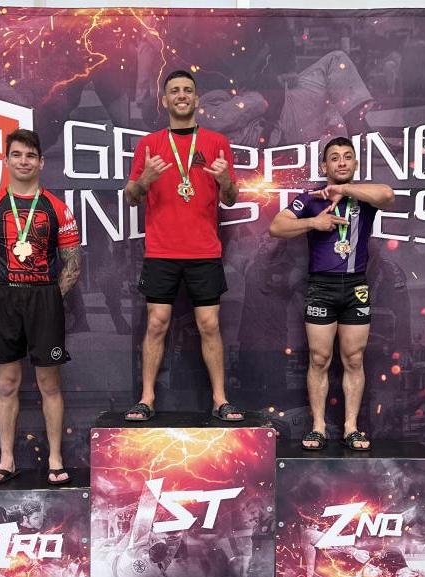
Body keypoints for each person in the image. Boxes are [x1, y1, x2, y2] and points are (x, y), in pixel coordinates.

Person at [124, 70, 244, 421]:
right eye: (174, 90)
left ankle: (220, 399)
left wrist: (225, 180)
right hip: (161, 250)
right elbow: (131, 197)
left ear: (196, 99)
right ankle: (147, 398)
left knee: (209, 325)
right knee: (157, 323)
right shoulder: (149, 145)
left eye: (187, 90)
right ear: (164, 100)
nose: (181, 95)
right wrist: (145, 180)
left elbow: (231, 199)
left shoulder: (216, 142)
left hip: (203, 250)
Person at [270, 136, 394, 450]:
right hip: (321, 286)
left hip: (356, 287)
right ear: (324, 166)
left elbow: (388, 194)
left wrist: (346, 190)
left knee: (353, 358)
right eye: (334, 157)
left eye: (347, 156)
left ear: (355, 164)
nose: (341, 162)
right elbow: (276, 227)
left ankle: (351, 428)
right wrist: (314, 222)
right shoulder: (311, 198)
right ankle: (318, 427)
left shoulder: (364, 196)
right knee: (319, 358)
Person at [0, 128, 81, 486]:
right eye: (17, 155)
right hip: (4, 299)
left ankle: (55, 459)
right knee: (7, 383)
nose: (23, 161)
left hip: (44, 299)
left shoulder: (57, 208)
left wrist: (49, 296)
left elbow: (72, 263)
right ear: (6, 160)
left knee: (49, 382)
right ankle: (6, 461)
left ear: (41, 162)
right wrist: (4, 291)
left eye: (30, 155)